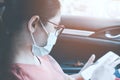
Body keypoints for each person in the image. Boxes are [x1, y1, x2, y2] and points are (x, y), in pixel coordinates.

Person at [0, 0, 119, 80]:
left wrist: (81, 75)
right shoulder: (17, 76)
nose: (56, 32)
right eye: (55, 26)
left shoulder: (39, 55)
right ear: (34, 24)